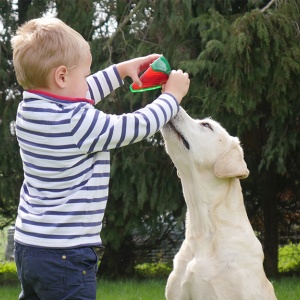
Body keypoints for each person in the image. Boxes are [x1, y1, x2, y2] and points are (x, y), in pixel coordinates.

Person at [11, 17, 190, 300]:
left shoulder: (30, 111)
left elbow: (77, 93)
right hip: (65, 255)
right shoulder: (77, 122)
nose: (87, 81)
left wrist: (120, 72)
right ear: (61, 77)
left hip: (28, 248)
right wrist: (171, 97)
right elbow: (132, 127)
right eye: (85, 74)